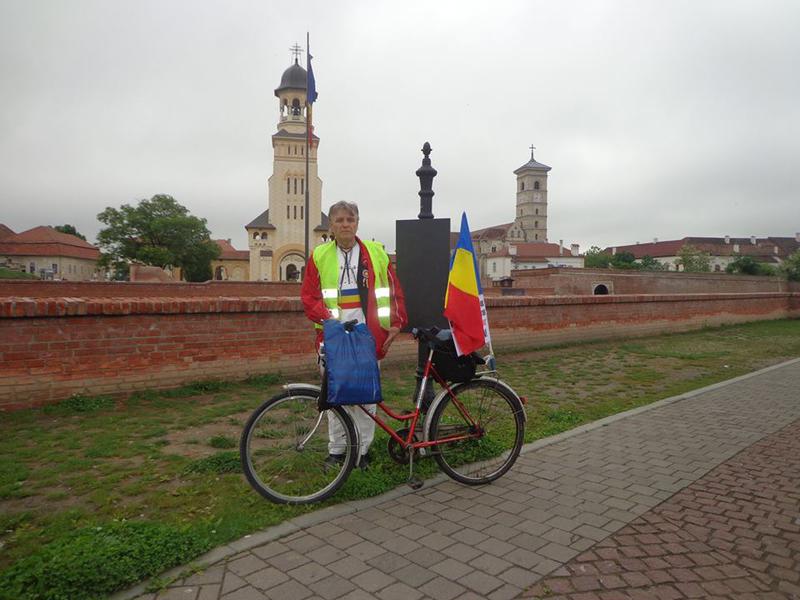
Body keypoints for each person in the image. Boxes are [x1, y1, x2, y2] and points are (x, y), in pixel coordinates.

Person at [301, 200, 408, 468]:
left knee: (365, 397)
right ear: (331, 226)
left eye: (350, 219)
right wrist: (327, 318)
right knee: (335, 396)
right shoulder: (319, 256)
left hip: (368, 336)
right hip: (333, 338)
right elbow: (309, 297)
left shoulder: (376, 253)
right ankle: (337, 451)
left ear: (357, 223)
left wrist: (396, 322)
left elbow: (394, 290)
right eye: (339, 220)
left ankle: (361, 452)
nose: (345, 224)